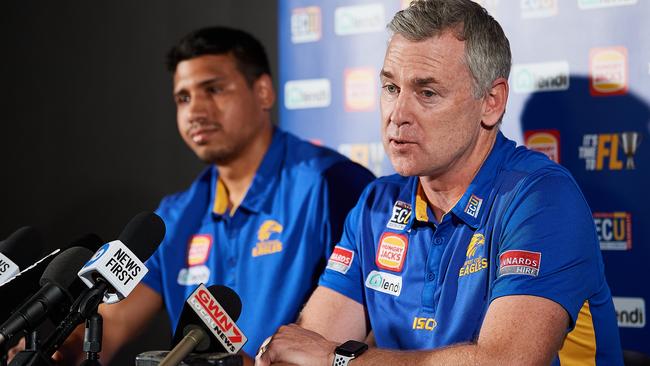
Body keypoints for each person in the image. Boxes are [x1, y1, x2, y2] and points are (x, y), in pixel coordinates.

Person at [256, 1, 623, 365]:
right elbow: (303, 352)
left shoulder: (541, 198)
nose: (397, 115)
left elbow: (506, 362)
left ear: (491, 102)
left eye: (426, 93)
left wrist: (340, 360)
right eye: (390, 88)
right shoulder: (376, 204)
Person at [31, 26, 374, 364]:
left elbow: (370, 326)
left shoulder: (332, 183)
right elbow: (114, 322)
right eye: (184, 97)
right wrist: (51, 354)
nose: (195, 111)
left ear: (264, 92)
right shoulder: (177, 213)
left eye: (213, 89)